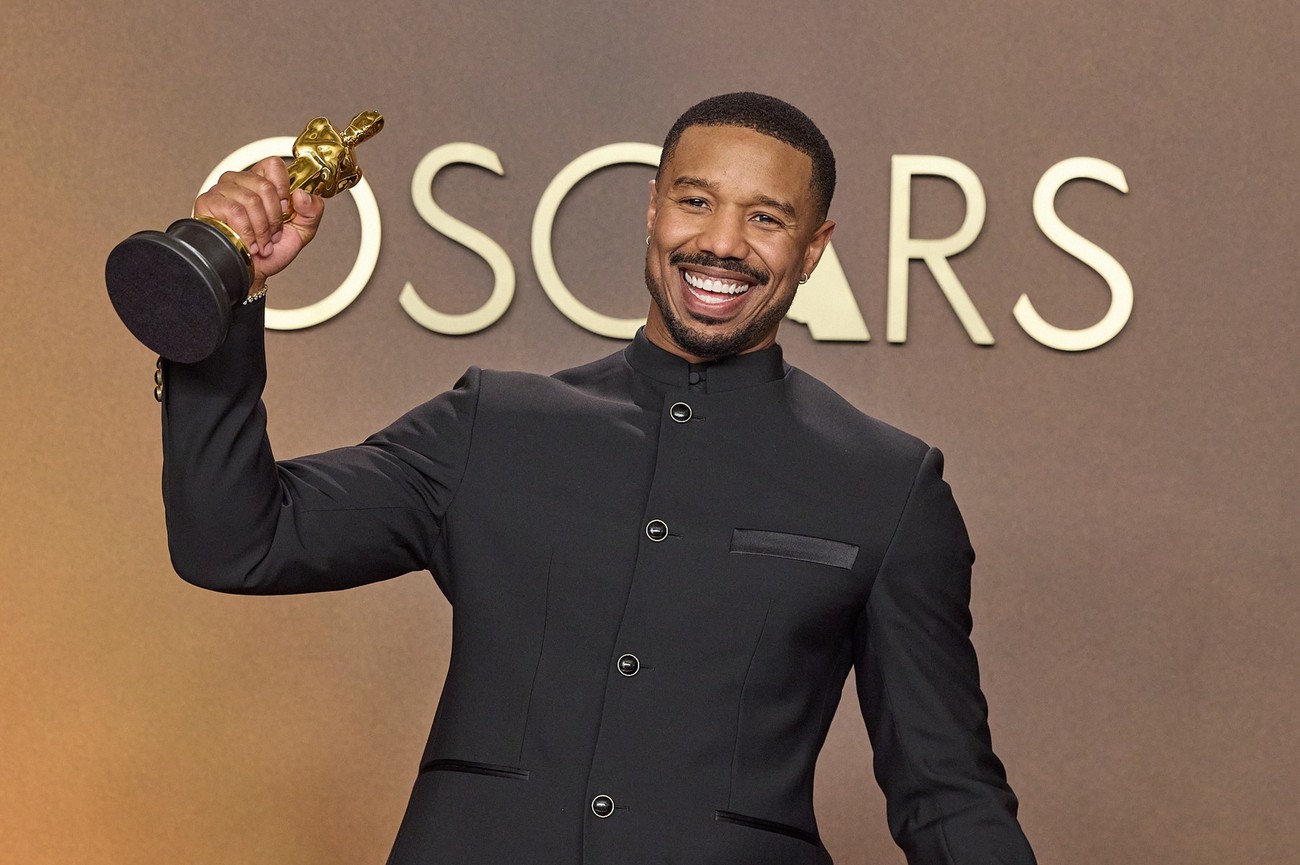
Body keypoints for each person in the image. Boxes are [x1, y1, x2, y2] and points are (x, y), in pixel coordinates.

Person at [159, 93, 1036, 865]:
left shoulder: (888, 484)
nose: (721, 243)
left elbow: (946, 791)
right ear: (653, 208)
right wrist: (224, 294)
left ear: (814, 248)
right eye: (696, 201)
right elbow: (237, 541)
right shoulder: (492, 425)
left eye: (766, 218)